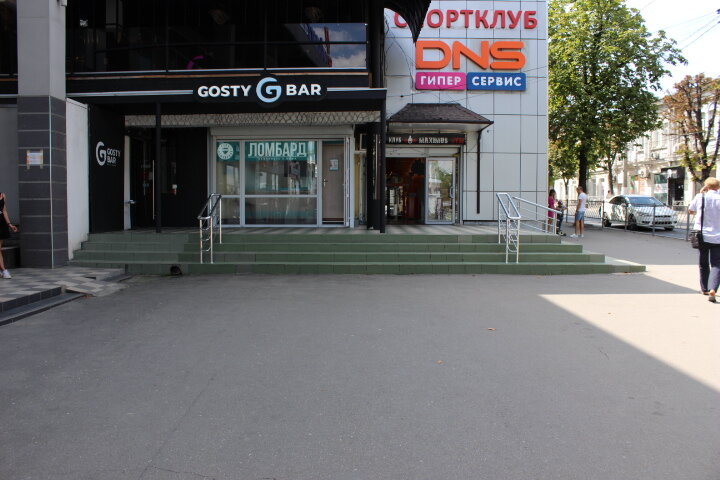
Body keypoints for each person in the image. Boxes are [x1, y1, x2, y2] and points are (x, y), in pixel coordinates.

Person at [688, 177, 720, 303]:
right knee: (717, 264)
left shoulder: (700, 197)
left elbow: (691, 210)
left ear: (706, 186)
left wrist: (701, 193)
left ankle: (705, 289)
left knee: (703, 262)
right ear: (718, 187)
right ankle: (713, 289)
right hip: (718, 237)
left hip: (702, 235)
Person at [0, 192, 19, 279]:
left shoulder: (2, 195)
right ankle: (4, 270)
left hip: (1, 223)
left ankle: (3, 271)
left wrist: (9, 224)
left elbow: (4, 211)